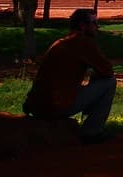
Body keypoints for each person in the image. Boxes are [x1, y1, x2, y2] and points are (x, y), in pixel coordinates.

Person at [23, 8, 117, 143]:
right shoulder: (83, 43)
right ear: (82, 25)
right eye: (94, 23)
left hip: (36, 105)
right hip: (56, 106)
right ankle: (91, 132)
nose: (97, 27)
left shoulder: (60, 43)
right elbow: (107, 71)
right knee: (109, 82)